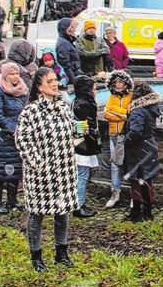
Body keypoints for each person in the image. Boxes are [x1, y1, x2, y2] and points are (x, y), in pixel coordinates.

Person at [15, 67, 81, 272]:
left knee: (63, 211)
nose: (55, 84)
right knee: (37, 213)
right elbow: (22, 139)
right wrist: (37, 164)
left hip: (64, 170)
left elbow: (73, 132)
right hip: (41, 173)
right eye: (50, 81)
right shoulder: (31, 111)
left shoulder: (63, 106)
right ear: (39, 86)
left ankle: (61, 252)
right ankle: (36, 257)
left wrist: (80, 134)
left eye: (55, 80)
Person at [0, 62, 28, 214]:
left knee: (16, 168)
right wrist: (11, 127)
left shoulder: (23, 90)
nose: (15, 77)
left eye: (17, 74)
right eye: (12, 74)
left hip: (18, 135)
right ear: (5, 75)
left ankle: (12, 199)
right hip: (2, 136)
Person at [122, 81, 163, 223]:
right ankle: (147, 211)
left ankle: (137, 213)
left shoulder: (138, 110)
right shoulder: (150, 108)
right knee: (146, 181)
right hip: (148, 147)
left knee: (137, 181)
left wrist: (124, 142)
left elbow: (135, 130)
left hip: (138, 150)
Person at [103, 69, 133, 208]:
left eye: (120, 81)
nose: (117, 84)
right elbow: (106, 113)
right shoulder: (112, 96)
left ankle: (134, 195)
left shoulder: (131, 96)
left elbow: (129, 114)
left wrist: (118, 112)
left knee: (130, 164)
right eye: (115, 81)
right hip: (113, 134)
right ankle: (115, 192)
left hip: (125, 134)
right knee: (115, 165)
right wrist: (121, 115)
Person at [71, 75, 100, 219]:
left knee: (81, 176)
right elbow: (82, 127)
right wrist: (90, 139)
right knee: (82, 176)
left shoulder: (78, 101)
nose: (95, 92)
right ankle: (79, 205)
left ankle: (79, 204)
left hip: (80, 144)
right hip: (82, 146)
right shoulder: (84, 104)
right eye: (93, 89)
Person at [54, 18, 81, 85]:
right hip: (70, 79)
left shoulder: (67, 42)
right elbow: (66, 65)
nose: (74, 30)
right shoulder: (64, 44)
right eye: (71, 27)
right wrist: (74, 81)